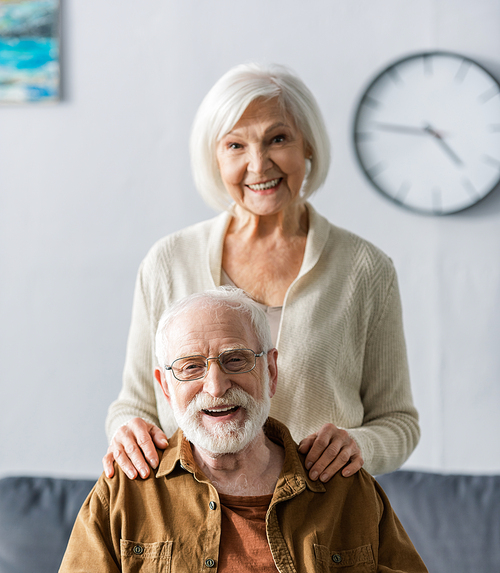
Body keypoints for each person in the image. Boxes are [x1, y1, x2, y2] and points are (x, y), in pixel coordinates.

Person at [37, 289, 448, 573]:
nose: (216, 386)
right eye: (191, 366)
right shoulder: (125, 490)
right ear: (164, 385)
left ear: (270, 371)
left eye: (235, 360)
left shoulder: (345, 487)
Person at [103, 62, 420, 485]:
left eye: (278, 138)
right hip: (195, 526)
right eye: (235, 145)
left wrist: (359, 445)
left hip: (321, 526)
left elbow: (398, 422)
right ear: (214, 158)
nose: (258, 164)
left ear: (307, 145)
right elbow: (134, 405)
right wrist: (127, 432)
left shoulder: (365, 269)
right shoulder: (168, 261)